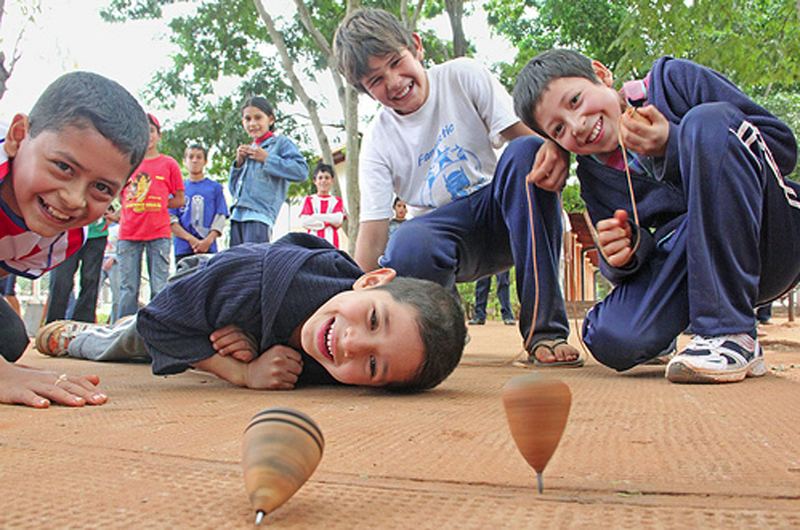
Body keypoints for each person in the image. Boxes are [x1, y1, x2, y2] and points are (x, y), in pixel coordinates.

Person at [513, 49, 800, 383]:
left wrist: (674, 144)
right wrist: (628, 250)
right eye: (558, 129)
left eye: (576, 100)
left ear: (602, 75)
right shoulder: (593, 174)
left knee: (705, 121)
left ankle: (731, 334)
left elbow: (781, 148)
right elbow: (624, 269)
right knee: (610, 335)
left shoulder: (674, 82)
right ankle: (674, 338)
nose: (577, 126)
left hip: (772, 240)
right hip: (695, 265)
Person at [333, 8, 582, 367]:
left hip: (503, 215)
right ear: (364, 91)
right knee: (406, 242)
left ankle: (545, 331)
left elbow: (528, 144)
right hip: (444, 239)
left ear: (415, 47)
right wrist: (346, 305)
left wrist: (562, 155)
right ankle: (445, 336)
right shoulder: (377, 140)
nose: (393, 81)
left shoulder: (462, 76)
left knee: (529, 151)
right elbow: (371, 237)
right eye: (375, 80)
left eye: (395, 62)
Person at [36, 233, 467, 392]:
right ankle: (82, 337)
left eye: (374, 365)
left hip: (242, 319)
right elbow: (160, 322)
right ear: (371, 280)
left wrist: (258, 345)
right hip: (200, 285)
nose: (352, 344)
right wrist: (239, 372)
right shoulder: (253, 278)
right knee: (136, 341)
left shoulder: (340, 352)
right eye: (374, 319)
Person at [0, 71, 149, 407]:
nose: (73, 199)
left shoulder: (62, 238)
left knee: (8, 338)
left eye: (101, 188)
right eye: (64, 167)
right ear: (18, 136)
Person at [115, 114, 185, 320]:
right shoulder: (126, 163)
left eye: (151, 131)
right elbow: (121, 194)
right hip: (129, 232)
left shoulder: (169, 164)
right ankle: (121, 332)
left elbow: (179, 199)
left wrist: (160, 201)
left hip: (159, 232)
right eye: (142, 132)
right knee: (127, 289)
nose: (148, 136)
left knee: (160, 287)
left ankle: (158, 330)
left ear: (159, 134)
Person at [229, 96, 309, 246]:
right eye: (248, 119)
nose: (253, 123)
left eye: (258, 117)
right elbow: (233, 191)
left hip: (259, 216)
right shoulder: (248, 150)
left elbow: (302, 171)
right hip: (236, 216)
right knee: (236, 266)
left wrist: (268, 159)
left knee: (254, 263)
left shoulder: (280, 144)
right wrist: (239, 164)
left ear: (270, 119)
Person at [170, 144, 228, 263]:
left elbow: (220, 216)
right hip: (183, 249)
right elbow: (171, 220)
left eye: (199, 157)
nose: (194, 160)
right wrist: (191, 240)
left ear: (205, 161)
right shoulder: (176, 189)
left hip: (208, 248)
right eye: (190, 157)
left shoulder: (215, 187)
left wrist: (207, 241)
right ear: (185, 161)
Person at [45, 216, 110, 324]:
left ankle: (83, 325)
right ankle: (54, 324)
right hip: (67, 231)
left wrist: (115, 214)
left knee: (91, 279)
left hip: (97, 233)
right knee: (61, 280)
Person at [300, 162, 346, 249]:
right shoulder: (309, 200)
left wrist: (315, 216)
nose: (323, 181)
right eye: (320, 178)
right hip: (312, 244)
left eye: (327, 178)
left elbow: (338, 219)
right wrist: (328, 222)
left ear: (332, 180)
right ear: (315, 181)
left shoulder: (337, 201)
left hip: (332, 243)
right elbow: (305, 221)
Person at [100, 220, 120, 323]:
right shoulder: (99, 227)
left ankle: (115, 322)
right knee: (92, 292)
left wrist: (113, 258)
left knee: (117, 296)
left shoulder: (117, 228)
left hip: (115, 262)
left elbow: (122, 246)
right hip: (100, 261)